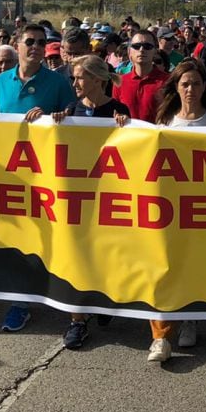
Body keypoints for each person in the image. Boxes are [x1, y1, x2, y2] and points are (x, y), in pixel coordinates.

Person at [0, 24, 75, 332]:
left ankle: (35, 298)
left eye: (41, 43)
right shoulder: (2, 80)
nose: (35, 46)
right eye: (29, 41)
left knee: (43, 238)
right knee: (15, 239)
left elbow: (74, 119)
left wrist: (57, 118)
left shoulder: (58, 82)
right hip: (10, 174)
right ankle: (18, 299)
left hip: (45, 175)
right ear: (17, 45)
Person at [143, 59, 206, 363]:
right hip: (170, 208)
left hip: (205, 208)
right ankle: (160, 337)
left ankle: (190, 317)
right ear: (176, 87)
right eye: (185, 84)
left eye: (196, 83)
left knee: (195, 266)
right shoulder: (164, 120)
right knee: (163, 268)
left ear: (205, 87)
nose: (190, 89)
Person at [46, 55, 129, 349]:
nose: (75, 83)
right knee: (77, 256)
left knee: (106, 254)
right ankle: (77, 322)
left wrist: (125, 127)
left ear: (97, 79)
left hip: (108, 195)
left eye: (80, 77)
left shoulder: (119, 110)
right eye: (74, 78)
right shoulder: (70, 109)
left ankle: (104, 303)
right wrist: (50, 123)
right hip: (77, 198)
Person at [111, 29, 168, 124]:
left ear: (155, 51)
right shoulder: (119, 81)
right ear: (129, 51)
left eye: (147, 46)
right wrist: (119, 116)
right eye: (136, 46)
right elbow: (115, 113)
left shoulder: (168, 81)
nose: (141, 50)